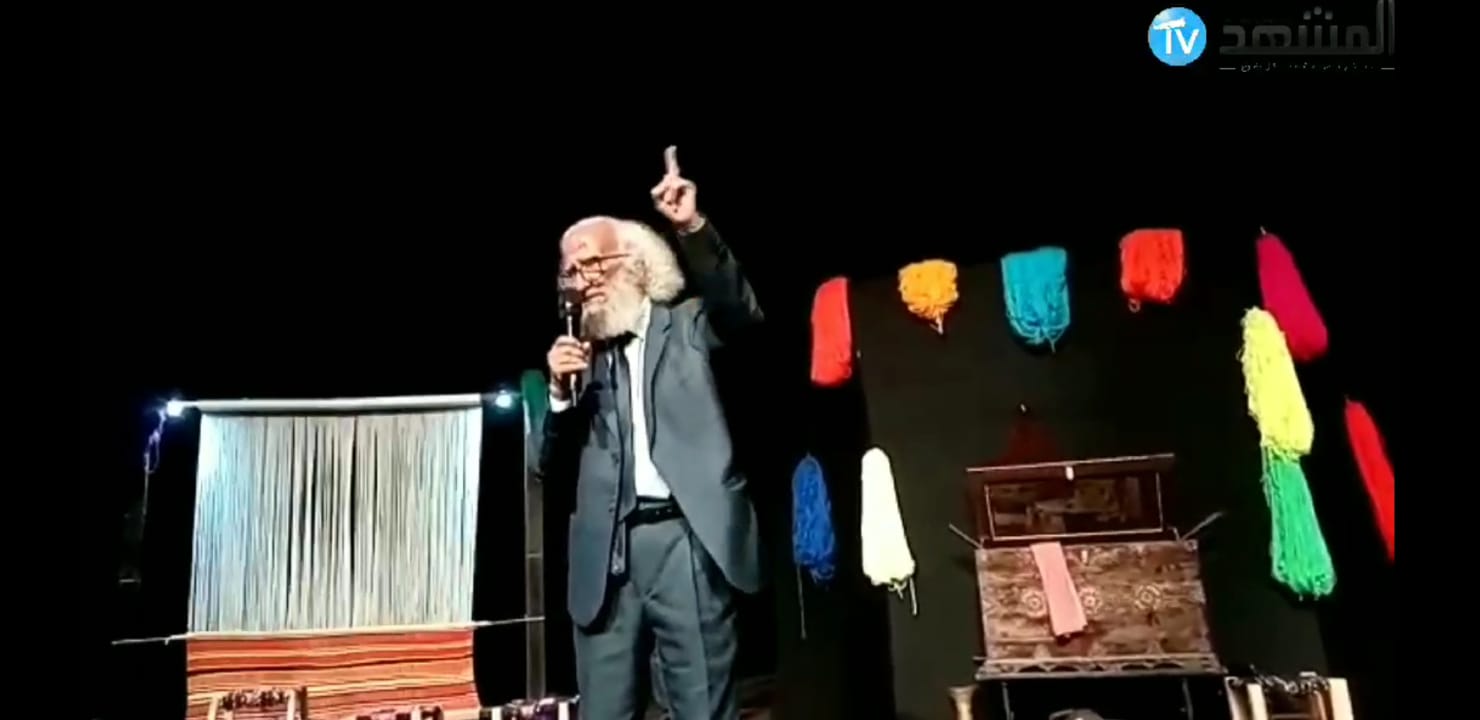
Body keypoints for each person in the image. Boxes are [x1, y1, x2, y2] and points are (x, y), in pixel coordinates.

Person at [532, 146, 763, 720]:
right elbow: (546, 467)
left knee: (702, 704)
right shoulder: (576, 359)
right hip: (605, 556)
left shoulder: (687, 327)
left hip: (685, 538)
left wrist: (691, 227)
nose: (581, 282)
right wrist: (559, 397)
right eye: (569, 272)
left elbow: (738, 309)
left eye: (592, 264)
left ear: (634, 263)